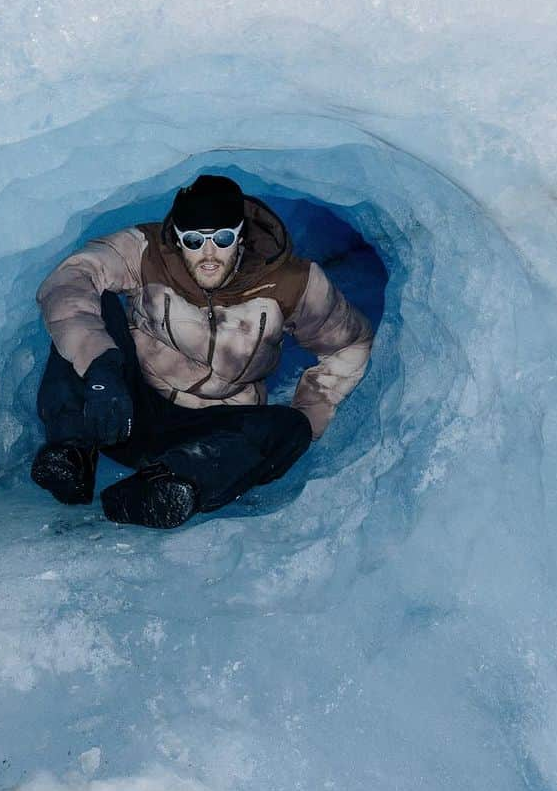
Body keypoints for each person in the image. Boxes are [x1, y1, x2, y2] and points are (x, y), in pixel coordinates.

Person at [30, 173, 375, 528]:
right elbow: (71, 278)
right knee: (90, 309)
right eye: (193, 241)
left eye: (222, 239)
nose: (208, 255)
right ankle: (72, 453)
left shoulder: (291, 281)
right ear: (178, 239)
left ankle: (168, 489)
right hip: (125, 411)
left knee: (291, 427)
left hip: (210, 434)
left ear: (241, 236)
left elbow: (349, 343)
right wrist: (101, 370)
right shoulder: (145, 250)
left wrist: (310, 407)